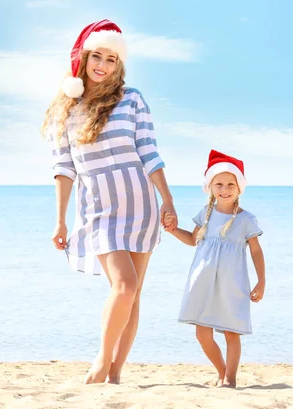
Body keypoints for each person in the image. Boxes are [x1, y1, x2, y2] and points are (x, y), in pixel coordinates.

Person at [41, 19, 178, 385]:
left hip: (141, 206)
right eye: (96, 56)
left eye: (111, 59)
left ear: (120, 66)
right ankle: (102, 362)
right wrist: (60, 219)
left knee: (133, 295)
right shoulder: (66, 110)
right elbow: (64, 168)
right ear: (83, 59)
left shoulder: (132, 99)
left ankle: (115, 374)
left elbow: (149, 152)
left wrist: (167, 200)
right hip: (100, 210)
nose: (102, 65)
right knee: (125, 286)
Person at [165, 149, 265, 388]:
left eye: (231, 184)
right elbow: (192, 239)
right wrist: (172, 230)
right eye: (218, 184)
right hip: (203, 280)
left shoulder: (246, 219)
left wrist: (261, 281)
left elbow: (256, 250)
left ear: (239, 188)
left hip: (232, 282)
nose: (225, 189)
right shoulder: (206, 214)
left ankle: (230, 379)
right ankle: (221, 371)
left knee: (232, 332)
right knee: (202, 334)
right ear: (210, 187)